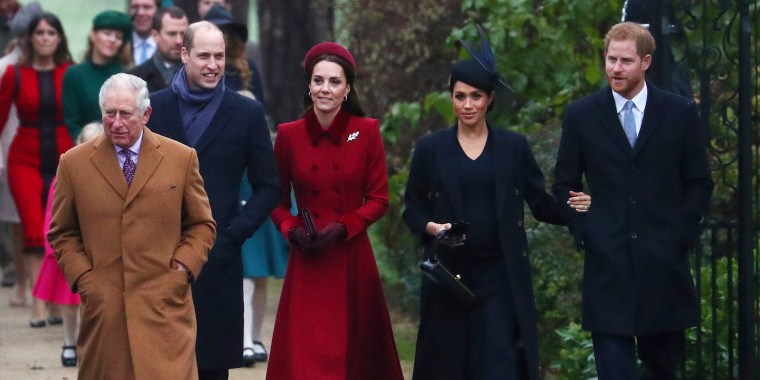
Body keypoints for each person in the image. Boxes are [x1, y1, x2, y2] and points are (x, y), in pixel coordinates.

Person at [402, 28, 591, 379]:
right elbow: (412, 208)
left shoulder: (513, 147)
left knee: (499, 362)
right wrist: (433, 228)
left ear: (489, 98)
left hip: (499, 275)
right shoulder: (431, 148)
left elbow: (541, 204)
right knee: (448, 364)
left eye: (475, 96)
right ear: (452, 98)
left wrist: (580, 207)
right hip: (449, 275)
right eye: (460, 96)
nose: (467, 105)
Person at [552, 22, 713, 379]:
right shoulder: (582, 115)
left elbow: (699, 183)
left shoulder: (679, 112)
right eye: (611, 59)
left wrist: (679, 233)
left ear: (646, 62)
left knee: (662, 371)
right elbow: (563, 184)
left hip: (663, 269)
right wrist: (587, 230)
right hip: (607, 271)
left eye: (626, 61)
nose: (616, 69)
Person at [48, 73, 216, 379]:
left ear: (146, 114)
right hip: (105, 311)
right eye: (109, 114)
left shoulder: (180, 157)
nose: (116, 122)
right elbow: (61, 231)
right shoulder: (74, 163)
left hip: (164, 306)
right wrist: (86, 278)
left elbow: (202, 224)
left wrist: (182, 268)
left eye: (125, 113)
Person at [147, 21, 280, 380]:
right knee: (158, 363)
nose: (212, 64)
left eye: (219, 56)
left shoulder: (246, 113)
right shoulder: (153, 109)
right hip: (157, 257)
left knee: (211, 366)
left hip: (216, 257)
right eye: (203, 55)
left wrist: (233, 235)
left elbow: (269, 185)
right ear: (184, 54)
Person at [267, 41, 404, 380]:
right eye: (318, 80)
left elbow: (379, 199)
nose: (324, 89)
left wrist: (344, 227)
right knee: (307, 357)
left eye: (333, 82)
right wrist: (290, 228)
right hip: (307, 258)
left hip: (352, 255)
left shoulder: (367, 131)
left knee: (357, 359)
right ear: (309, 85)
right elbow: (274, 198)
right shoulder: (288, 135)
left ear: (347, 89)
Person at [0, 11, 74, 327]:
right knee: (31, 228)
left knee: (58, 229)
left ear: (59, 38)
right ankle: (38, 304)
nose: (45, 38)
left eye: (50, 33)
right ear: (30, 38)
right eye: (39, 33)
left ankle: (58, 302)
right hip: (24, 158)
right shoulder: (14, 74)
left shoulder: (71, 72)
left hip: (63, 157)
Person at [32, 121, 102, 367]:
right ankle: (69, 341)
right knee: (70, 305)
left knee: (94, 304)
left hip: (99, 252)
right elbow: (53, 215)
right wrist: (54, 249)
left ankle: (90, 345)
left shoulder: (111, 176)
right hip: (69, 251)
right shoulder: (65, 175)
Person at [0, 0, 41, 300]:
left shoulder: (53, 64)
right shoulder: (6, 68)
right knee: (16, 220)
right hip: (10, 149)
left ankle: (39, 283)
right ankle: (22, 281)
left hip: (44, 146)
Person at [62, 10, 132, 141]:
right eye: (107, 33)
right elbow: (71, 122)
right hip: (85, 147)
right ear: (93, 35)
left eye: (118, 37)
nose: (112, 40)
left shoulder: (128, 75)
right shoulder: (75, 74)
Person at [202, 3, 265, 104]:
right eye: (212, 30)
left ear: (230, 36)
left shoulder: (247, 67)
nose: (217, 35)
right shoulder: (194, 66)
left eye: (222, 30)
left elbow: (261, 108)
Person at [128, 6, 188, 92]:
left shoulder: (197, 76)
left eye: (183, 34)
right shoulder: (133, 79)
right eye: (172, 34)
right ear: (155, 35)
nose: (179, 41)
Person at [128, 0, 159, 65]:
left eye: (147, 7)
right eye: (135, 7)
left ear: (158, 10)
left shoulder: (168, 45)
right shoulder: (120, 44)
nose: (140, 13)